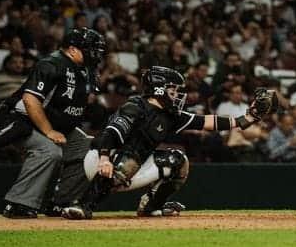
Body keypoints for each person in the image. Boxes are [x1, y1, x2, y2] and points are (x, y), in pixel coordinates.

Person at [58, 66, 277, 219]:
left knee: (178, 160)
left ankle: (151, 206)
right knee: (131, 156)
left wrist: (248, 118)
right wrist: (105, 158)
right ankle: (83, 205)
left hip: (132, 167)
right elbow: (110, 132)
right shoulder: (136, 106)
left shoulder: (173, 115)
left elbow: (207, 122)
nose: (178, 95)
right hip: (101, 160)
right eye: (174, 90)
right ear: (160, 89)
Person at [0, 27, 105, 218]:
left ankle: (60, 202)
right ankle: (18, 204)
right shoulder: (51, 64)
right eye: (91, 49)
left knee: (91, 150)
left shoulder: (84, 69)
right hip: (20, 120)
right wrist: (49, 131)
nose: (96, 54)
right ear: (72, 49)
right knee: (49, 151)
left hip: (56, 124)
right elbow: (30, 100)